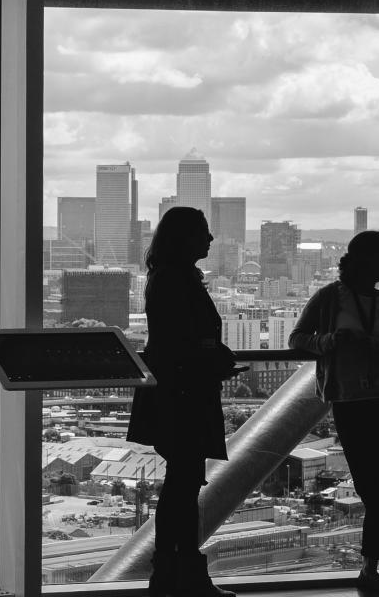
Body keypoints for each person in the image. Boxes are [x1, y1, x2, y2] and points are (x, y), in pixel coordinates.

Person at [287, 231, 379, 590]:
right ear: (367, 260)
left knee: (378, 488)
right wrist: (329, 342)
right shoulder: (330, 298)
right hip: (356, 402)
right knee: (371, 487)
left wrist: (369, 344)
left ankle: (370, 566)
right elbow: (297, 339)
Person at [126, 206, 241, 597]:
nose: (210, 240)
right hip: (184, 394)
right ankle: (184, 575)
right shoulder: (177, 280)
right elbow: (184, 341)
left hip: (175, 391)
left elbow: (175, 340)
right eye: (204, 232)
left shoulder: (166, 278)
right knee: (183, 486)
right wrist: (214, 357)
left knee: (180, 485)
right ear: (184, 238)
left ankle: (171, 574)